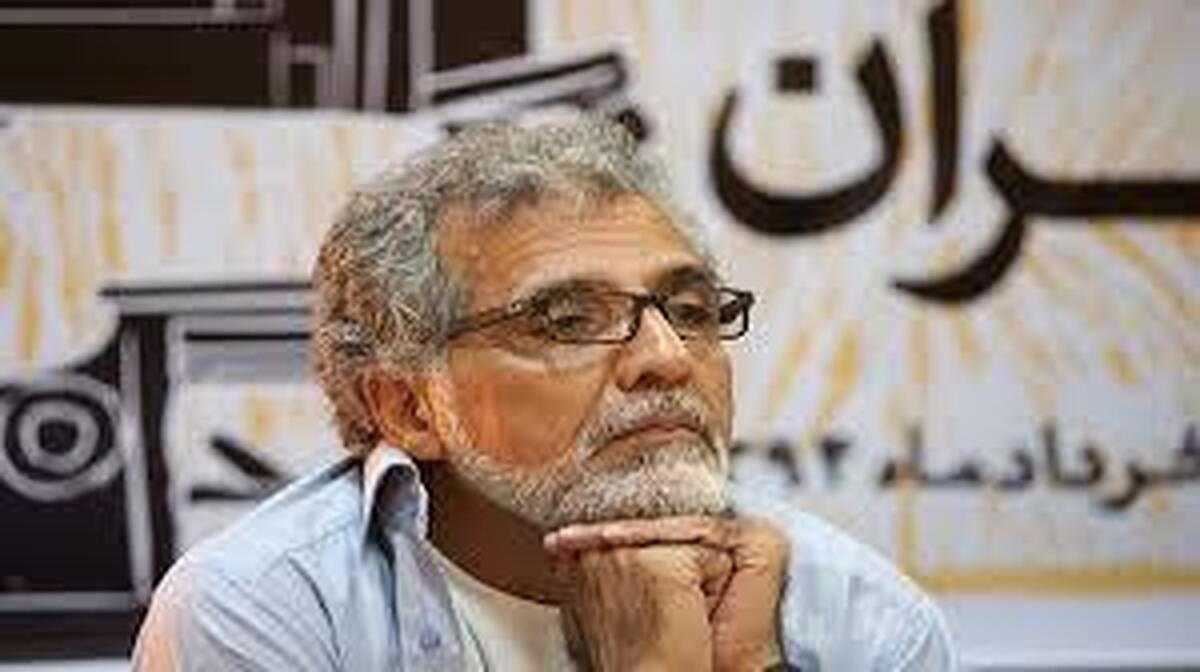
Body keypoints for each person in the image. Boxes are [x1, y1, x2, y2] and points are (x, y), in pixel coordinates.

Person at [132, 118, 957, 671]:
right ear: (409, 408)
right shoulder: (263, 611)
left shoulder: (859, 616)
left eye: (690, 310)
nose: (666, 359)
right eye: (567, 320)